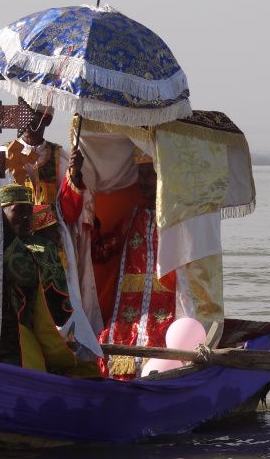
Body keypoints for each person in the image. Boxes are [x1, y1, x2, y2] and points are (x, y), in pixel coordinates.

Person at [90, 148, 175, 380]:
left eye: (149, 174)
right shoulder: (131, 218)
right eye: (141, 174)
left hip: (167, 311)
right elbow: (100, 254)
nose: (143, 181)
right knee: (108, 343)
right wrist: (90, 219)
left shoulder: (176, 222)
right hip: (127, 314)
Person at [0, 184, 100, 377]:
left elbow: (26, 273)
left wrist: (4, 231)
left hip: (20, 341)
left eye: (30, 211)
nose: (28, 218)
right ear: (2, 214)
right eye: (19, 211)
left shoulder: (41, 248)